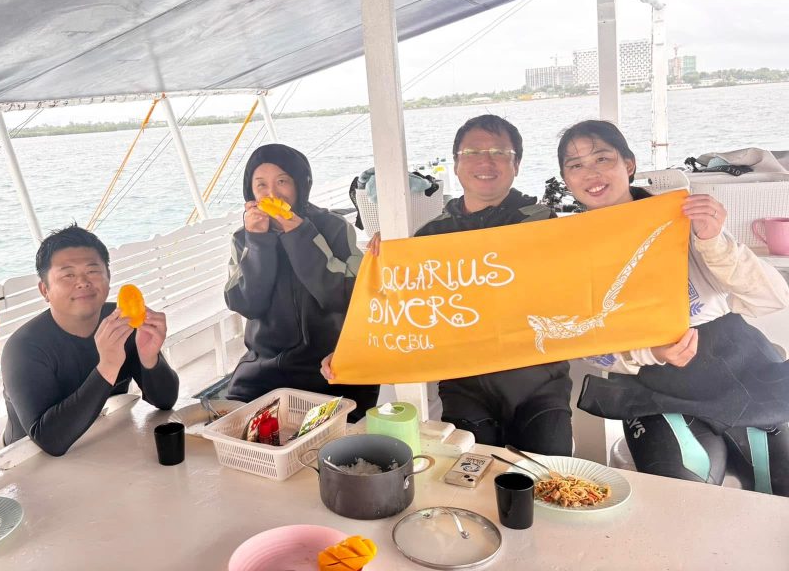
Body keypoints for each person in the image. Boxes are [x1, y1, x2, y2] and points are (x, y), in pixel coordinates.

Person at [559, 119, 789, 495]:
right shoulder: (567, 251)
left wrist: (714, 241)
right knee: (684, 496)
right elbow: (587, 346)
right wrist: (650, 352)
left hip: (741, 373)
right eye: (576, 165)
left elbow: (773, 297)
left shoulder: (682, 219)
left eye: (602, 158)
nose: (591, 173)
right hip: (656, 393)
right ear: (566, 180)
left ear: (628, 164)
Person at [332, 114, 571, 454]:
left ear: (516, 164)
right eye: (472, 152)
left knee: (553, 477)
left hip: (539, 383)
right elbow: (396, 310)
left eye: (499, 152)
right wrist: (391, 256)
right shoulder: (431, 236)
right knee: (467, 475)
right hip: (466, 387)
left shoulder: (545, 224)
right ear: (456, 165)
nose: (485, 161)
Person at [224, 143, 378, 421]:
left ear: (300, 184)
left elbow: (345, 297)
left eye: (282, 181)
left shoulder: (333, 227)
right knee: (230, 420)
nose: (272, 194)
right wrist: (257, 242)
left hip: (328, 367)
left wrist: (300, 235)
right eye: (261, 185)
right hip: (263, 370)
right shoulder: (243, 237)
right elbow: (247, 305)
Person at [1, 225, 179, 456]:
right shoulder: (23, 348)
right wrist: (108, 366)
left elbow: (165, 401)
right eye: (68, 275)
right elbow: (49, 440)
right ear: (45, 290)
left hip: (100, 439)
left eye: (93, 271)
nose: (83, 282)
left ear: (108, 278)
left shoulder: (121, 321)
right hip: (26, 460)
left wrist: (150, 359)